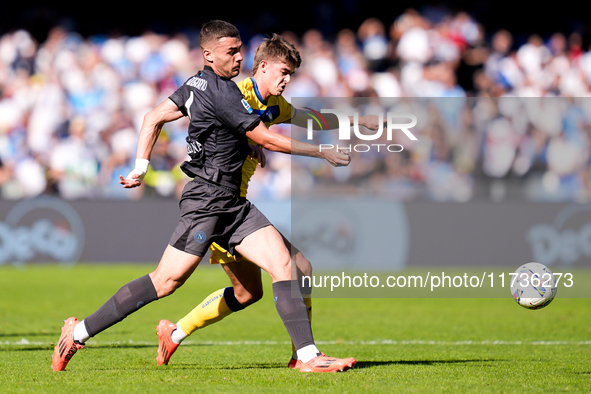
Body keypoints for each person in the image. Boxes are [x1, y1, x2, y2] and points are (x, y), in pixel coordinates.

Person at [51, 20, 356, 373]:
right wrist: (321, 152)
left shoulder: (197, 84)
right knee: (165, 282)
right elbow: (265, 137)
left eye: (240, 50)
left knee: (287, 265)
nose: (240, 57)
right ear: (209, 54)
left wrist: (140, 166)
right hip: (206, 201)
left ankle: (306, 357)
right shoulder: (228, 92)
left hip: (234, 204)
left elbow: (154, 117)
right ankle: (80, 331)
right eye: (232, 52)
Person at [155, 33, 383, 370]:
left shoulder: (274, 104)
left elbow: (307, 118)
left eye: (291, 74)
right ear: (263, 66)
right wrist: (252, 141)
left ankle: (175, 334)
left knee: (256, 289)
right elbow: (229, 125)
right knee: (290, 267)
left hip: (237, 204)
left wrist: (353, 121)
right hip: (220, 205)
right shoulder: (235, 93)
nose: (287, 80)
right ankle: (304, 355)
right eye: (283, 71)